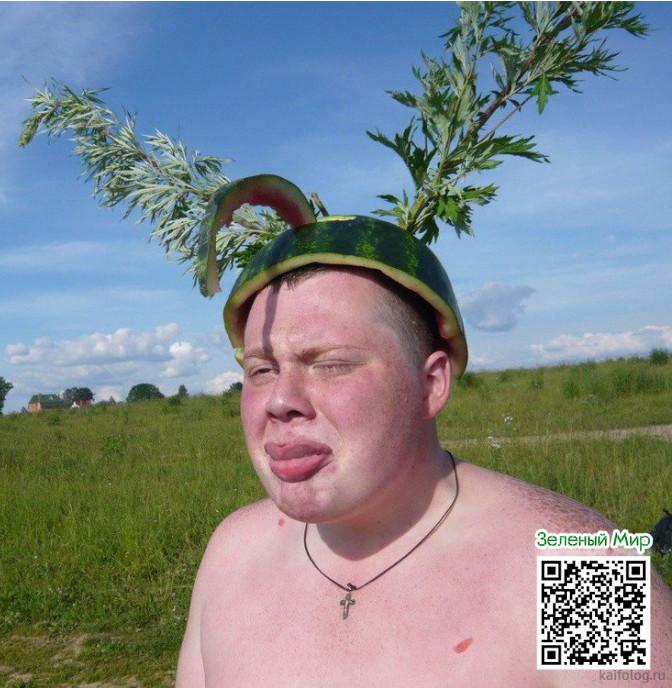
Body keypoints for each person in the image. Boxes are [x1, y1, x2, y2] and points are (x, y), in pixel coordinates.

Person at [176, 263, 672, 686]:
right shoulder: (231, 550)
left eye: (330, 364)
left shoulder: (583, 569)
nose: (280, 401)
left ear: (431, 384)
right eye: (261, 370)